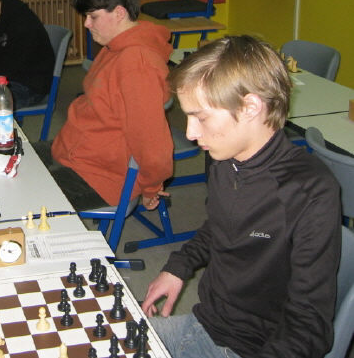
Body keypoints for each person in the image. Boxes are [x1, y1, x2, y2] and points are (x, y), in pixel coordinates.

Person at [141, 36, 341, 358]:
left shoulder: (309, 192)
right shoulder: (224, 160)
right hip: (205, 324)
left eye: (201, 117)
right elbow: (222, 226)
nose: (190, 133)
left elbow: (309, 328)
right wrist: (179, 266)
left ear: (250, 108)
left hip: (252, 348)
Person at [36, 0, 173, 211]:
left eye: (93, 16)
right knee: (8, 157)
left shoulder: (137, 66)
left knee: (18, 200)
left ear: (119, 13)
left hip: (100, 177)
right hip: (76, 151)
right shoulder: (114, 47)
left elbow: (152, 143)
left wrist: (151, 186)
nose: (86, 24)